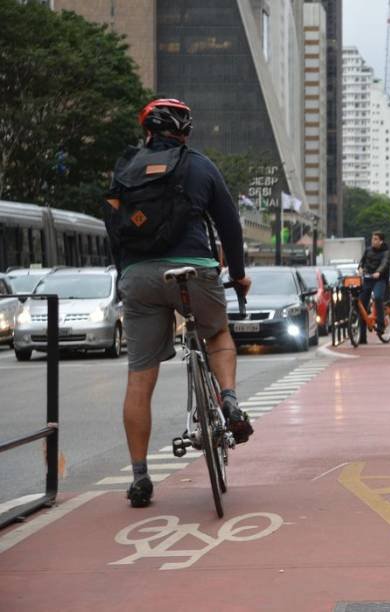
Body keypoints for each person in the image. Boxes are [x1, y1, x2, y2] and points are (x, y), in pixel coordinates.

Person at [105, 98, 252, 509]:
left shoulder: (124, 169)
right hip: (195, 269)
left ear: (146, 131)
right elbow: (229, 225)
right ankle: (229, 399)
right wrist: (237, 273)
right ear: (185, 133)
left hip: (139, 276)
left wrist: (127, 276)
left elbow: (113, 228)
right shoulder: (200, 165)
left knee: (139, 376)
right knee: (218, 333)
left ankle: (139, 477)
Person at [357, 231, 390, 344]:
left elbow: (384, 264)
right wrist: (360, 268)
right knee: (361, 304)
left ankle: (381, 325)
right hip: (367, 279)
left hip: (380, 280)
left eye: (376, 239)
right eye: (372, 239)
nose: (373, 241)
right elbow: (361, 262)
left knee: (378, 298)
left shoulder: (385, 252)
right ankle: (362, 336)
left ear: (381, 241)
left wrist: (378, 272)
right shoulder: (367, 250)